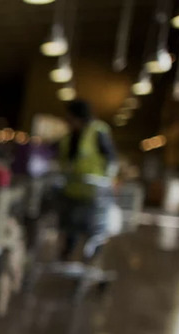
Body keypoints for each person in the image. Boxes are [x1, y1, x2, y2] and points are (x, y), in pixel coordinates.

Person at [57, 99, 118, 261]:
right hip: (72, 192)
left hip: (94, 196)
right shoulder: (69, 138)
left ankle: (91, 263)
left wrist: (106, 182)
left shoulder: (97, 131)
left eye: (69, 117)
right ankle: (67, 259)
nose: (67, 121)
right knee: (71, 230)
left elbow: (111, 160)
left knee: (92, 232)